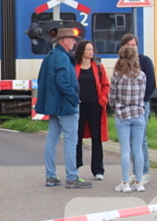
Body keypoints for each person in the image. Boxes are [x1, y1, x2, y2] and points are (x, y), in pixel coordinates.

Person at [35, 28, 92, 189]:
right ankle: (72, 177)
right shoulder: (63, 58)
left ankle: (50, 176)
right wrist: (75, 99)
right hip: (65, 105)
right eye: (72, 39)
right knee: (71, 141)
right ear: (64, 40)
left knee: (52, 140)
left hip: (53, 105)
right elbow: (63, 82)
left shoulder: (50, 56)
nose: (75, 42)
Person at [109, 46, 147, 193]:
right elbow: (143, 95)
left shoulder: (117, 76)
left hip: (123, 115)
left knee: (125, 149)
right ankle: (139, 182)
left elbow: (112, 98)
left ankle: (125, 183)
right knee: (138, 149)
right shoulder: (142, 75)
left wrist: (116, 109)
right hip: (138, 114)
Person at [120, 34, 156, 185]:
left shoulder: (145, 61)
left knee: (141, 140)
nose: (131, 47)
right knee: (129, 141)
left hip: (142, 105)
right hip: (126, 107)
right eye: (128, 45)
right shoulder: (121, 64)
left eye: (133, 45)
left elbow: (151, 83)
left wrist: (140, 101)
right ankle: (136, 172)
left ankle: (144, 172)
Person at [74, 40, 110, 180]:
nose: (91, 52)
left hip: (95, 106)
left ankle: (98, 170)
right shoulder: (74, 66)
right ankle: (76, 167)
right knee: (76, 138)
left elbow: (106, 85)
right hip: (79, 106)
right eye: (88, 49)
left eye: (92, 49)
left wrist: (103, 100)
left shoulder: (98, 67)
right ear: (82, 51)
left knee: (97, 138)